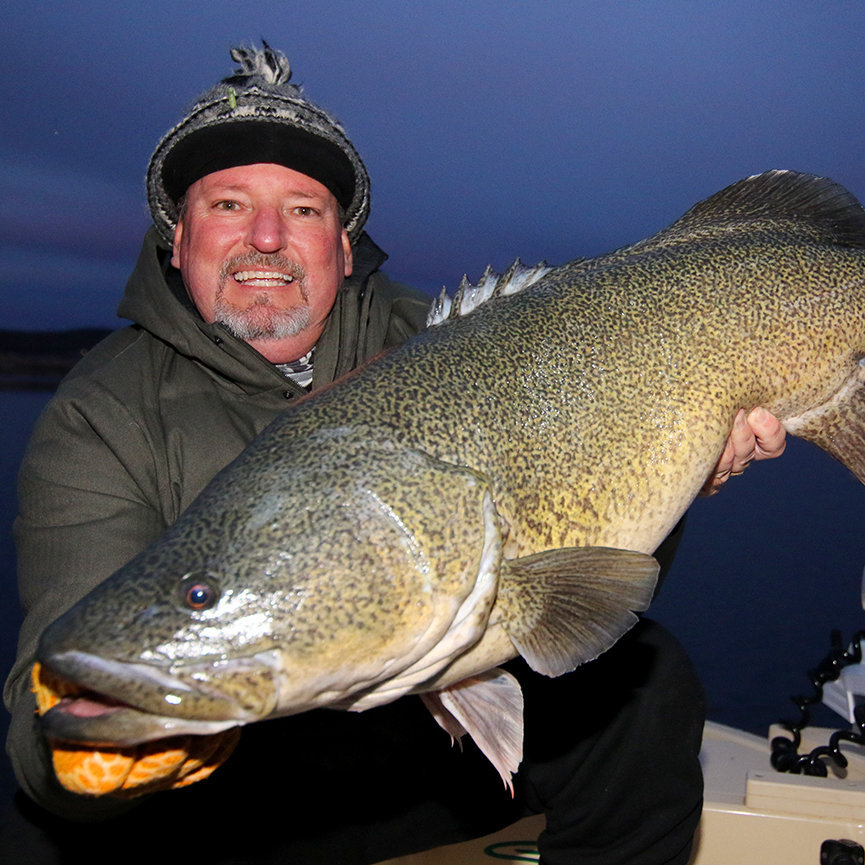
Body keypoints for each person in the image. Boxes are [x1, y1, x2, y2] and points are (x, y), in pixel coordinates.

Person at [2, 42, 785, 864]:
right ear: (176, 239)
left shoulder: (445, 343)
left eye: (304, 209)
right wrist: (102, 749)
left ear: (343, 248)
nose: (266, 236)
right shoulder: (101, 412)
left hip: (425, 760)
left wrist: (687, 455)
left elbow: (597, 578)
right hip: (239, 789)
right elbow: (43, 714)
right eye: (228, 204)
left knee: (647, 687)